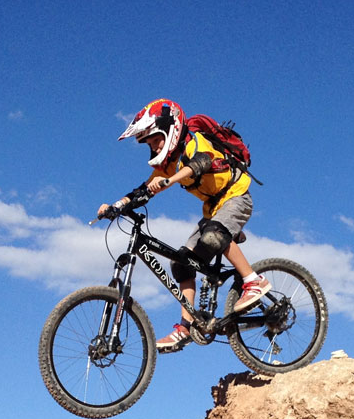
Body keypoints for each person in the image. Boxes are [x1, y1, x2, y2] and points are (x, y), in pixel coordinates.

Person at [98, 99, 270, 352]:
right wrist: (116, 205)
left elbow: (201, 162)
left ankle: (254, 281)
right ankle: (185, 328)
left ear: (170, 131)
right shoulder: (166, 164)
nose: (154, 146)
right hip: (213, 208)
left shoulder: (195, 141)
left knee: (214, 236)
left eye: (155, 139)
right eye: (149, 144)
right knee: (181, 264)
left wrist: (170, 181)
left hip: (236, 196)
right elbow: (143, 190)